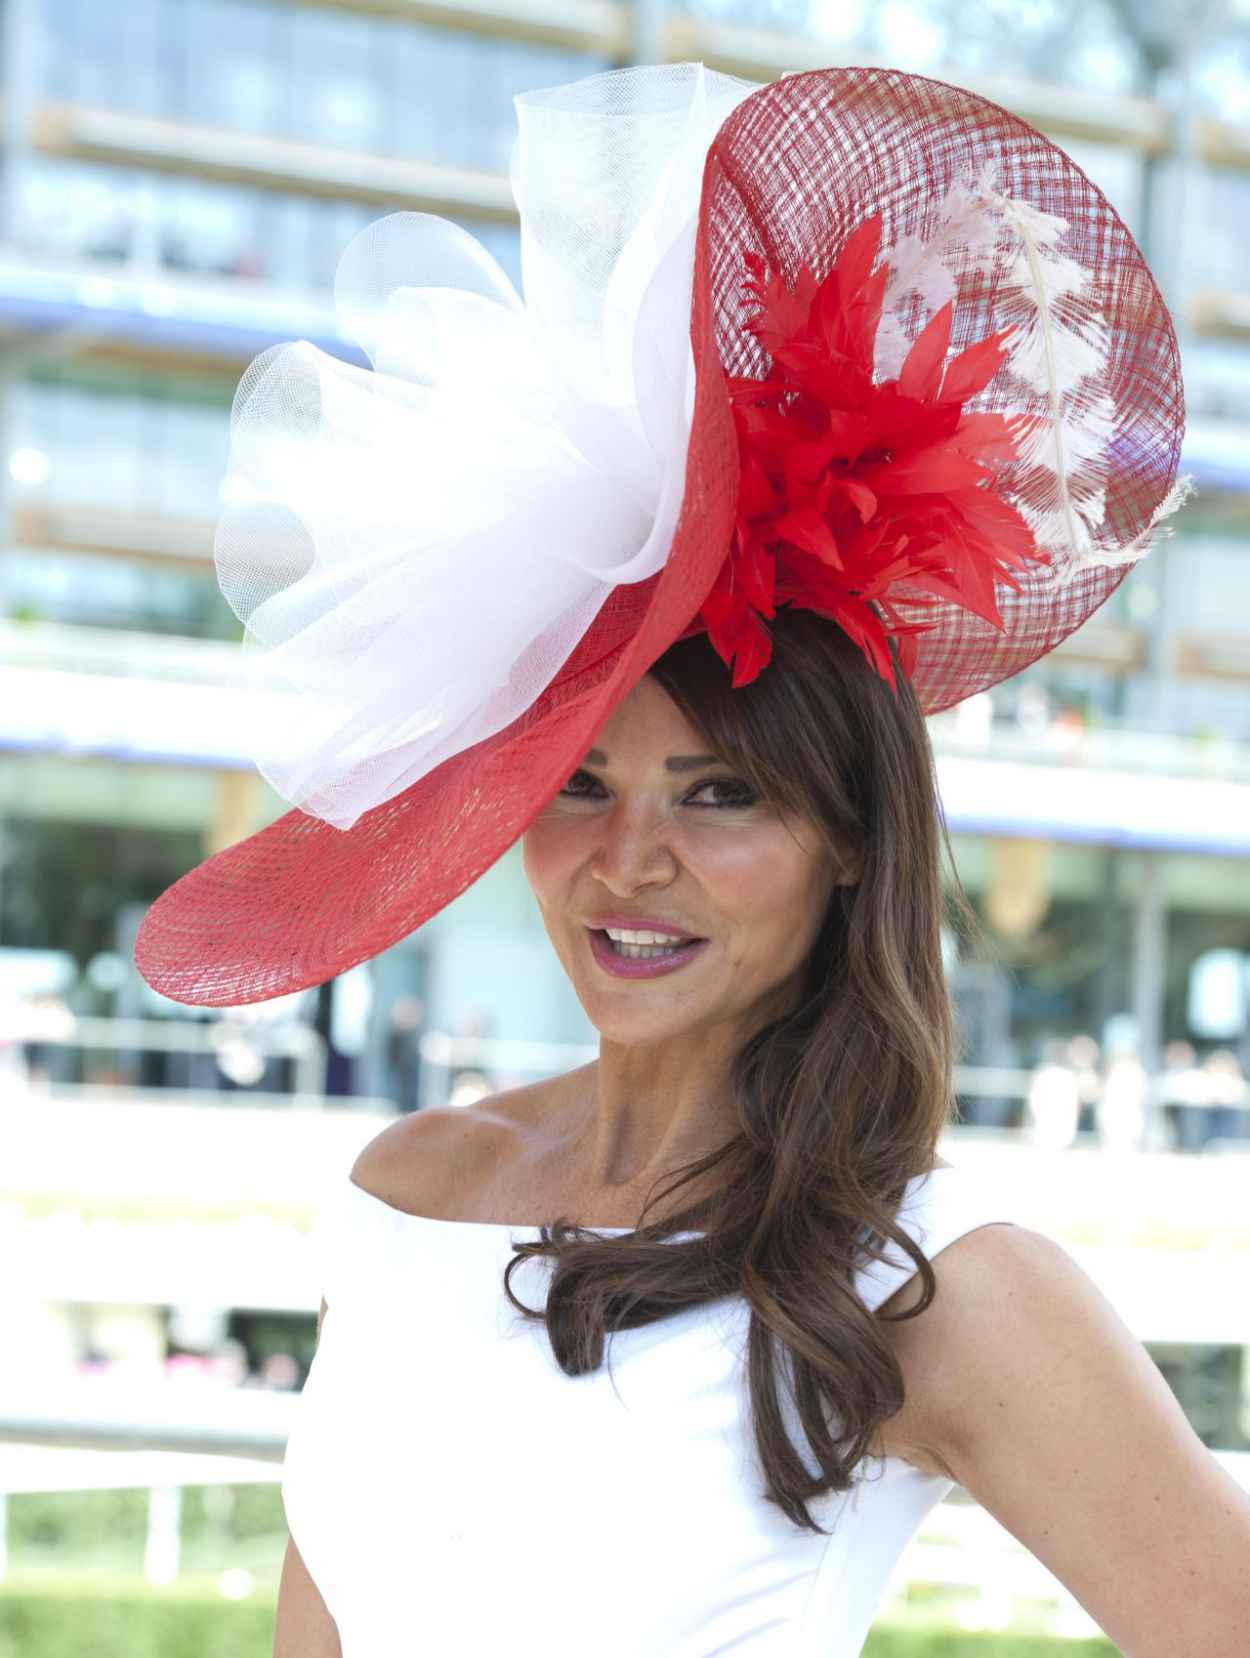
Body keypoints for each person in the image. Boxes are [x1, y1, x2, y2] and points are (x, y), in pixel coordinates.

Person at [132, 61, 1249, 1658]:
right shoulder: (405, 1193)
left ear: (850, 841)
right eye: (578, 783)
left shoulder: (932, 1277)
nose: (627, 859)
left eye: (717, 795)